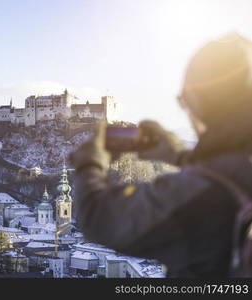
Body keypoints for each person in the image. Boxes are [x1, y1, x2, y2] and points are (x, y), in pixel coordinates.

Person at [70, 33, 252, 278]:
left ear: (197, 100)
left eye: (183, 101)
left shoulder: (190, 194)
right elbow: (233, 171)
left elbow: (97, 219)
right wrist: (180, 157)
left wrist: (90, 162)